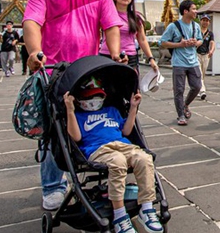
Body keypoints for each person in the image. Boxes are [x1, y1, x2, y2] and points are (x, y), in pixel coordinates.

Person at [24, 0, 124, 211]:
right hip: (53, 72)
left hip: (86, 72)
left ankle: (87, 172)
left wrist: (114, 53)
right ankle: (53, 186)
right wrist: (35, 52)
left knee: (86, 123)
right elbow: (32, 22)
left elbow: (111, 25)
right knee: (53, 129)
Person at [64, 77, 162, 233]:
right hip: (98, 148)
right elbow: (75, 137)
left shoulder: (112, 111)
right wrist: (69, 110)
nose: (93, 100)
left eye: (97, 96)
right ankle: (120, 215)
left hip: (122, 144)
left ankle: (147, 208)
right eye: (89, 97)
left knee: (144, 158)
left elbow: (126, 131)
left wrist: (132, 108)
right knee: (118, 161)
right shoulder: (79, 115)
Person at [160, 0, 203, 126]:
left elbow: (201, 40)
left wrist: (196, 42)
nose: (196, 11)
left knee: (197, 86)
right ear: (185, 11)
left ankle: (185, 105)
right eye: (194, 9)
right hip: (179, 63)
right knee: (179, 90)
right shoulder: (174, 26)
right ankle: (180, 115)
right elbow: (163, 42)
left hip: (193, 61)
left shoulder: (196, 26)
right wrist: (180, 44)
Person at [101, 0, 157, 75]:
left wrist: (151, 58)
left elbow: (142, 39)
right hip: (107, 55)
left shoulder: (136, 17)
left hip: (130, 56)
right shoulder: (106, 13)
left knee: (131, 87)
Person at [196, 15, 215, 101]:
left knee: (202, 74)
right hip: (197, 54)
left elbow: (212, 43)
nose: (205, 22)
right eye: (203, 20)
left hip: (206, 55)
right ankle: (202, 91)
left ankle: (197, 89)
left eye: (207, 20)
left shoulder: (210, 33)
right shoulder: (196, 31)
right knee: (199, 73)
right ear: (200, 21)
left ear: (209, 22)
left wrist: (211, 50)